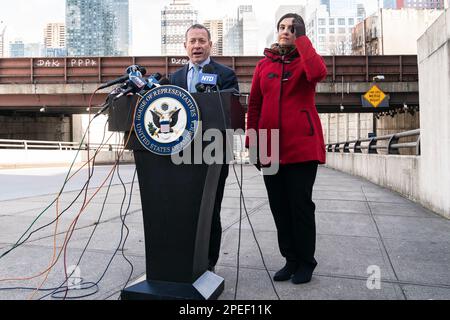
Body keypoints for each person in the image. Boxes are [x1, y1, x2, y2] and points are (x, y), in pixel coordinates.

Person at [245, 14, 327, 284]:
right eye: (282, 27)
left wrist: (302, 41)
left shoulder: (306, 61)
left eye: (292, 28)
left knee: (300, 206)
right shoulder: (263, 66)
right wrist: (253, 145)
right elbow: (254, 105)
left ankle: (306, 262)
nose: (286, 32)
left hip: (302, 147)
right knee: (279, 206)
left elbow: (318, 73)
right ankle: (290, 259)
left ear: (300, 32)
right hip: (269, 148)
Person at [170, 24, 239, 272]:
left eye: (202, 41)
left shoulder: (226, 74)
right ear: (185, 46)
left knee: (210, 208)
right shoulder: (175, 78)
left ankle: (208, 262)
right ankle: (186, 257)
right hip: (182, 153)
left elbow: (232, 109)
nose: (197, 46)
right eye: (192, 41)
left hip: (214, 151)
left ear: (210, 45)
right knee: (184, 208)